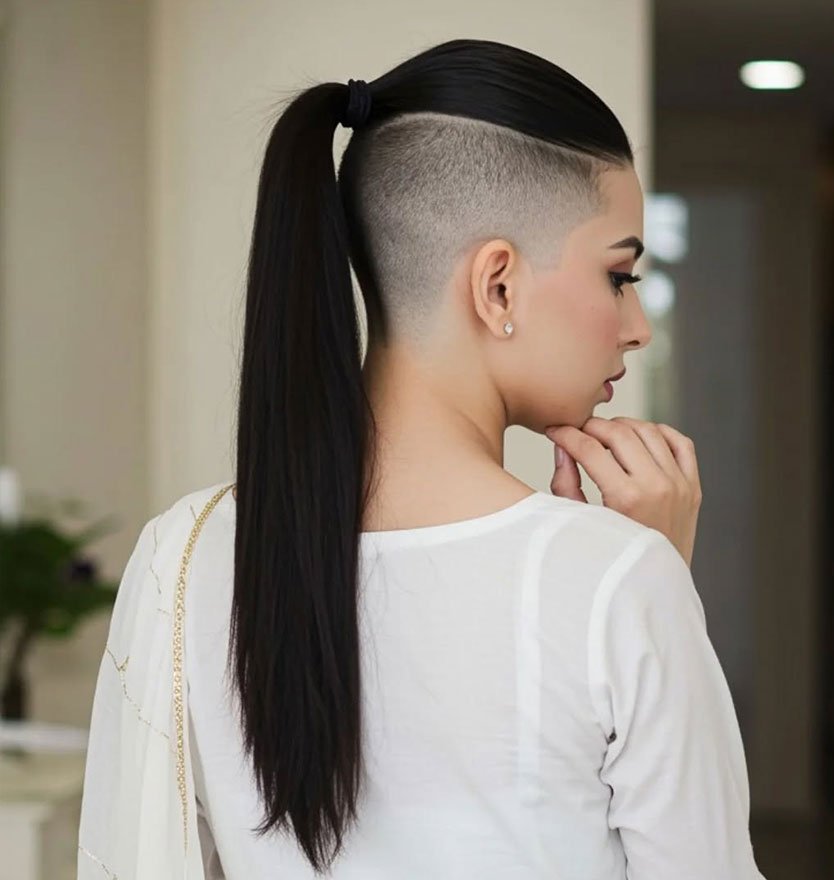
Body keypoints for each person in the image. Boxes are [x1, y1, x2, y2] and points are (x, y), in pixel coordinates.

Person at [77, 37, 766, 880]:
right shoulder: (619, 581)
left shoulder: (181, 556)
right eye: (619, 276)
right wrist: (654, 579)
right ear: (497, 285)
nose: (638, 328)